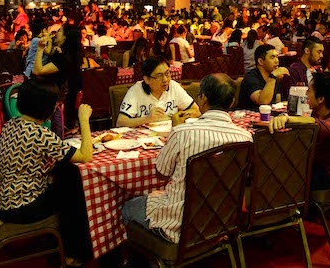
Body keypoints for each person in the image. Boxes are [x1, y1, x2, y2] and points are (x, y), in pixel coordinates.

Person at [121, 73, 252, 244]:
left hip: (180, 224)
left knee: (127, 208)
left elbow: (161, 173)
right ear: (232, 102)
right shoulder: (245, 138)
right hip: (223, 219)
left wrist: (174, 133)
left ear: (202, 99)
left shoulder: (182, 133)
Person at [0, 81, 94, 266]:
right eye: (55, 104)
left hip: (1, 200)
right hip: (19, 207)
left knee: (68, 179)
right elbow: (85, 156)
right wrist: (83, 120)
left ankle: (60, 245)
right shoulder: (39, 134)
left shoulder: (12, 124)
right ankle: (71, 253)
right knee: (75, 193)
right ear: (46, 107)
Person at [268, 72, 330, 190]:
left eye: (309, 91)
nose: (306, 94)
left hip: (327, 177)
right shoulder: (319, 111)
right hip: (314, 166)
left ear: (321, 98)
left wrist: (286, 118)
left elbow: (316, 124)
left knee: (279, 171)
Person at [117, 56, 199, 128]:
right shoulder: (136, 91)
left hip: (170, 134)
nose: (165, 80)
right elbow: (120, 122)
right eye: (159, 76)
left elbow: (196, 110)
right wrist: (147, 119)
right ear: (147, 79)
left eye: (167, 74)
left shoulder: (173, 87)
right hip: (145, 138)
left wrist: (176, 116)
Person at [33, 25, 83, 133]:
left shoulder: (64, 58)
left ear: (65, 37)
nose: (55, 34)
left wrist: (40, 48)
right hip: (62, 101)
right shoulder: (66, 54)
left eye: (59, 32)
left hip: (56, 103)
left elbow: (37, 70)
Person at [238, 44, 289, 110]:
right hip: (249, 117)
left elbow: (277, 103)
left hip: (270, 116)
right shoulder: (251, 77)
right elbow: (263, 102)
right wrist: (272, 77)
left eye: (277, 57)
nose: (277, 61)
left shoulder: (274, 77)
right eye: (272, 57)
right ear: (260, 61)